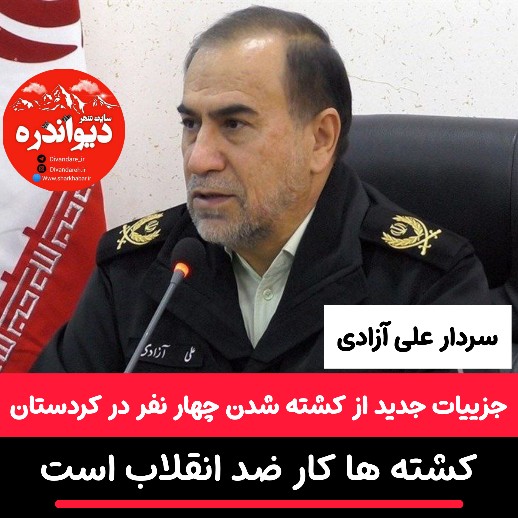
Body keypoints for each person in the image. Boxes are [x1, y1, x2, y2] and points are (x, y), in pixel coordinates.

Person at [31, 5, 500, 373]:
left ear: (320, 139)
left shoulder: (427, 283)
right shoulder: (136, 272)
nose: (198, 159)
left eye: (234, 124)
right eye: (191, 124)